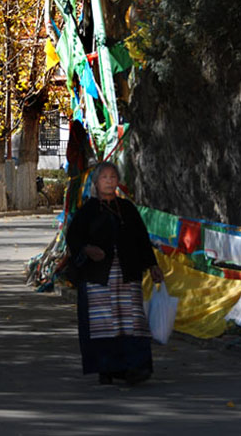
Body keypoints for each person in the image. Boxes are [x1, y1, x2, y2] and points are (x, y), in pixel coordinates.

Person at [65, 161, 164, 386]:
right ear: (96, 183)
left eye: (113, 177)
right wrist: (88, 250)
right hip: (99, 277)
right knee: (104, 323)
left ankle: (135, 367)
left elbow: (141, 238)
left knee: (132, 321)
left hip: (128, 274)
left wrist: (152, 265)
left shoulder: (127, 208)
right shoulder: (87, 211)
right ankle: (107, 368)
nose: (109, 181)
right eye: (104, 177)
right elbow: (73, 239)